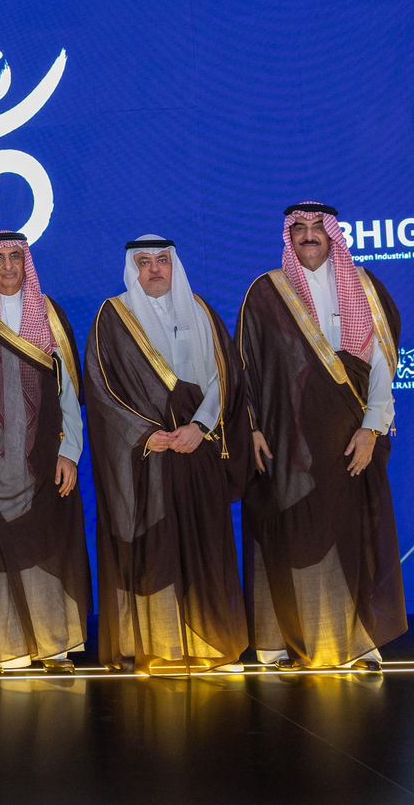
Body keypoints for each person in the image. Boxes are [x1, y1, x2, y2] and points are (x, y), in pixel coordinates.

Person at [239, 203, 405, 670]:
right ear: (289, 237)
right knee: (291, 535)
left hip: (349, 438)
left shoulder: (365, 287)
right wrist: (252, 427)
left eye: (318, 228)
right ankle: (288, 643)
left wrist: (372, 428)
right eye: (300, 229)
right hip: (286, 441)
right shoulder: (266, 292)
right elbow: (246, 366)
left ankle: (358, 642)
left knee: (351, 534)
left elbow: (381, 367)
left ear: (333, 236)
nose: (309, 235)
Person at [85, 237, 250, 673]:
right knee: (153, 551)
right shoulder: (113, 316)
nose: (155, 269)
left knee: (203, 546)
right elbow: (101, 391)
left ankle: (209, 644)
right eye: (144, 262)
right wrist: (145, 434)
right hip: (147, 459)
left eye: (162, 260)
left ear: (174, 265)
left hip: (197, 450)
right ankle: (158, 646)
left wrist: (201, 426)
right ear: (132, 269)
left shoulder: (201, 311)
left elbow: (224, 379)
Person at [0, 231, 91, 674]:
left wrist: (70, 452)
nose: (8, 266)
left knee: (46, 551)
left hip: (43, 462)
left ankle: (55, 648)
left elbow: (70, 394)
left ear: (26, 262)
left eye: (15, 257)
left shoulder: (49, 316)